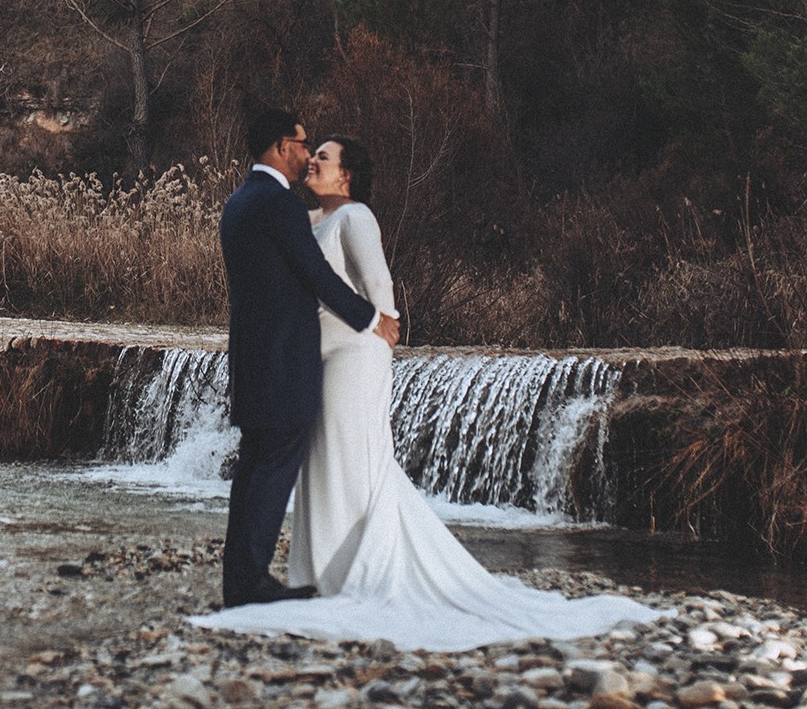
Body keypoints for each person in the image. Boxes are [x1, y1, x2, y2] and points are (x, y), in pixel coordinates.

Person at [195, 132, 662, 649]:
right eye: (311, 155)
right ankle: (324, 575)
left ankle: (362, 574)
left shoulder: (356, 218)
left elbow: (379, 290)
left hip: (354, 357)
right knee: (323, 465)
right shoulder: (307, 219)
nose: (312, 164)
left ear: (347, 175)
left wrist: (383, 331)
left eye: (323, 159)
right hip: (316, 359)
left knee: (354, 461)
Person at [216, 109, 403, 609]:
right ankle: (252, 581)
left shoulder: (239, 201)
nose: (307, 154)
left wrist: (378, 319)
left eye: (319, 152)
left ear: (347, 174)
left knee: (258, 469)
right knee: (271, 469)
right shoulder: (279, 204)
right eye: (303, 146)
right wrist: (374, 319)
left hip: (266, 360)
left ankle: (246, 578)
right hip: (287, 362)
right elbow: (317, 276)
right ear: (282, 147)